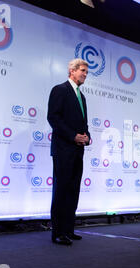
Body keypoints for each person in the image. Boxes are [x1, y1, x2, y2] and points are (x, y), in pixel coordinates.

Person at [47, 58, 91, 245]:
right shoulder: (60, 90)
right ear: (72, 71)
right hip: (63, 149)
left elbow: (84, 124)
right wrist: (73, 136)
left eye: (86, 72)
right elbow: (53, 118)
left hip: (78, 151)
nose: (85, 74)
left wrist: (87, 136)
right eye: (82, 70)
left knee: (73, 191)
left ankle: (68, 230)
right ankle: (58, 233)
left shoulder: (82, 97)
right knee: (61, 191)